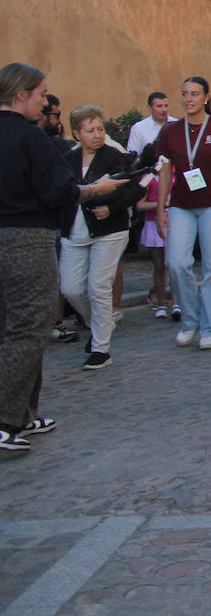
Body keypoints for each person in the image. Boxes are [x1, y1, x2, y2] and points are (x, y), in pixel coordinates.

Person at [1, 63, 128, 452]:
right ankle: (6, 420)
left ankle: (22, 413)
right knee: (29, 326)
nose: (46, 103)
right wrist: (94, 189)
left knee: (13, 323)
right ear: (22, 95)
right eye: (41, 94)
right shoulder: (31, 139)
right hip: (26, 237)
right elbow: (59, 193)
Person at [155, 76, 211, 350]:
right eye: (184, 94)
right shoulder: (171, 132)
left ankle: (210, 328)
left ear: (206, 97)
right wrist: (161, 208)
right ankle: (190, 320)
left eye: (195, 94)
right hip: (182, 204)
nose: (189, 99)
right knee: (177, 263)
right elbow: (164, 172)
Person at [59, 106, 145, 370]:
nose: (97, 135)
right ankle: (99, 325)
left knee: (98, 287)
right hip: (74, 231)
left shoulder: (114, 156)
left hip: (110, 230)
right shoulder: (66, 159)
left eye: (100, 129)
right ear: (77, 133)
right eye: (90, 130)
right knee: (70, 288)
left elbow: (136, 189)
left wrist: (111, 207)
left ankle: (101, 348)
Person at [135, 144, 177, 320]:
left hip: (175, 223)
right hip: (153, 223)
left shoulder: (177, 174)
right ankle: (161, 303)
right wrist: (161, 205)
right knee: (159, 266)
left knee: (174, 265)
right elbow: (139, 204)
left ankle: (176, 302)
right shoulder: (147, 177)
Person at [126, 92, 172, 156]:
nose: (164, 110)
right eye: (159, 106)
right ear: (149, 108)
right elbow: (132, 156)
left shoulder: (177, 124)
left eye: (166, 106)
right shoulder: (138, 128)